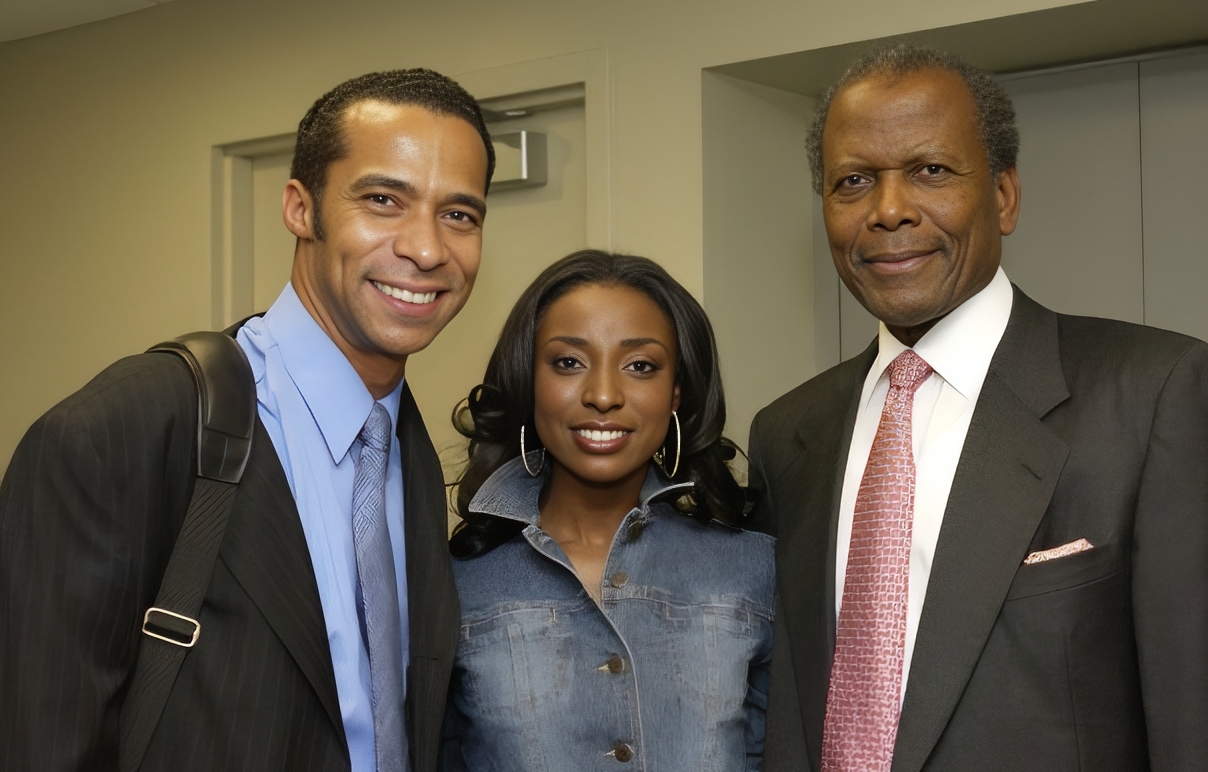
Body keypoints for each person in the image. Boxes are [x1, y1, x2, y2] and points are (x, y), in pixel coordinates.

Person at [0, 68, 495, 772]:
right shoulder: (124, 431)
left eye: (459, 215)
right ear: (300, 208)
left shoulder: (407, 446)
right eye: (383, 200)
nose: (426, 248)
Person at [751, 44, 1208, 772]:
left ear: (1003, 196)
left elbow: (1191, 716)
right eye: (854, 181)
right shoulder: (786, 436)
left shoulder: (1153, 394)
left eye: (930, 171)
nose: (889, 211)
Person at [440, 249, 775, 771]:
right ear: (529, 382)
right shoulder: (452, 585)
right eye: (568, 362)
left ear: (675, 392)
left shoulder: (753, 569)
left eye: (640, 366)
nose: (602, 395)